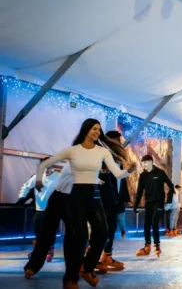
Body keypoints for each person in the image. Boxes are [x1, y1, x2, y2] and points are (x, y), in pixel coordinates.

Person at [28, 118, 136, 288]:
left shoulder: (100, 158)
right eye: (94, 130)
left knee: (75, 238)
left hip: (78, 199)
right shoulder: (78, 155)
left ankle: (76, 273)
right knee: (47, 233)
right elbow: (75, 176)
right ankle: (34, 266)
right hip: (61, 197)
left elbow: (105, 182)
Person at [96, 130, 127, 271]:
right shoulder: (102, 159)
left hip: (115, 201)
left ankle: (106, 256)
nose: (117, 145)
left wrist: (121, 201)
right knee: (100, 231)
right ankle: (92, 259)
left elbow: (121, 182)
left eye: (118, 142)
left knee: (112, 229)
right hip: (103, 202)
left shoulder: (119, 160)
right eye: (114, 142)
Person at [134, 155, 174, 257]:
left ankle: (157, 245)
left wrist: (168, 201)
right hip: (149, 203)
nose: (144, 165)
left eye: (146, 162)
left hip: (159, 202)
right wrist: (136, 205)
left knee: (154, 221)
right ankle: (147, 246)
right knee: (146, 224)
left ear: (151, 162)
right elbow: (139, 191)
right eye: (142, 163)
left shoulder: (160, 173)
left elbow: (170, 185)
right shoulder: (143, 175)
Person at [17, 162, 58, 261]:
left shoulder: (57, 177)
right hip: (39, 209)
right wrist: (21, 199)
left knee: (50, 230)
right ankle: (40, 251)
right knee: (38, 230)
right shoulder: (36, 178)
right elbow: (27, 189)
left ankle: (49, 250)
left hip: (52, 209)